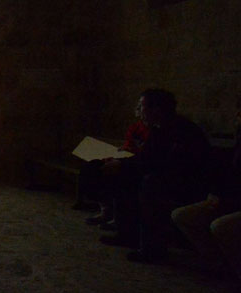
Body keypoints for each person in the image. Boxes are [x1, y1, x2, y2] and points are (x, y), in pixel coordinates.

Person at [99, 88, 211, 262]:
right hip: (167, 175)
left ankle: (153, 248)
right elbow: (147, 158)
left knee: (151, 184)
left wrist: (125, 165)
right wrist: (121, 164)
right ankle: (127, 234)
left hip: (190, 182)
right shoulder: (159, 129)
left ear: (156, 110)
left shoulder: (182, 130)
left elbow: (174, 165)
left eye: (141, 107)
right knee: (124, 174)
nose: (139, 112)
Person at [171, 106, 241, 276]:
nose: (237, 118)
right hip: (232, 198)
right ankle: (219, 263)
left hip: (234, 200)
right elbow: (231, 174)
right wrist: (217, 192)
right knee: (182, 216)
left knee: (221, 226)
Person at [76, 96, 149, 220]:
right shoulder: (135, 127)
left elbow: (147, 155)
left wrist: (123, 157)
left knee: (113, 175)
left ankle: (118, 217)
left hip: (136, 164)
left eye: (141, 106)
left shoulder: (156, 131)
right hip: (126, 159)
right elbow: (128, 146)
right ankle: (106, 209)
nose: (137, 109)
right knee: (90, 168)